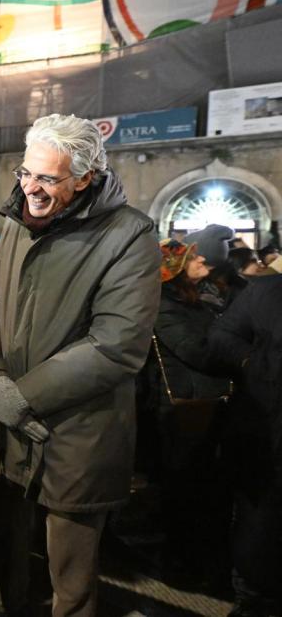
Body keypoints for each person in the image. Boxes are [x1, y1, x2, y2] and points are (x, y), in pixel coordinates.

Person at [0, 113, 160, 617]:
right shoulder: (17, 222)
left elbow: (117, 343)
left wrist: (24, 395)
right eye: (25, 174)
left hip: (80, 431)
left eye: (47, 178)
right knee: (9, 562)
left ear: (84, 178)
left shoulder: (130, 234)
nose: (31, 188)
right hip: (10, 419)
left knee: (72, 582)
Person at [145, 240, 232, 590]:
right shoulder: (164, 305)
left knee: (203, 487)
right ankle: (179, 565)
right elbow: (195, 350)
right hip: (181, 409)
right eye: (192, 257)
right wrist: (233, 345)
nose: (201, 260)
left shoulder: (201, 298)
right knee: (181, 488)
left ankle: (200, 559)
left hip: (206, 403)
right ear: (175, 268)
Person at [209, 273, 282, 617]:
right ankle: (253, 597)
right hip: (265, 433)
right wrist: (253, 362)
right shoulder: (267, 291)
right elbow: (222, 336)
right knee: (259, 524)